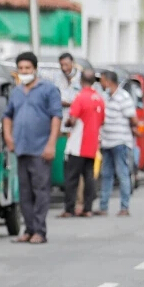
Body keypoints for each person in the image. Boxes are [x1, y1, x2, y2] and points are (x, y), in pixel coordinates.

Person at [2, 52, 62, 244]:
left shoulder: (48, 89)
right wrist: (8, 137)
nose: (24, 72)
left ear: (35, 69)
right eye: (21, 69)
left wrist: (51, 143)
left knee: (41, 191)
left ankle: (40, 231)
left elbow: (56, 117)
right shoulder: (17, 91)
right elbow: (7, 115)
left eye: (27, 68)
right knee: (25, 192)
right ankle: (28, 229)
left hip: (41, 149)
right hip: (21, 148)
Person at [61, 68, 105, 217]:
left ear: (81, 81)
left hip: (77, 145)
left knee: (71, 178)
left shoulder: (80, 97)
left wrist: (67, 122)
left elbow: (72, 119)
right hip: (92, 145)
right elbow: (102, 120)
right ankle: (88, 208)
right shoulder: (99, 98)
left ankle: (69, 209)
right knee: (89, 177)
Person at [96, 70, 139, 217]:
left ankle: (124, 207)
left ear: (108, 81)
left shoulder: (123, 97)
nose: (101, 84)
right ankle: (103, 207)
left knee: (122, 174)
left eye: (102, 81)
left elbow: (133, 119)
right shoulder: (105, 97)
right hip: (107, 142)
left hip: (120, 142)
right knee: (106, 175)